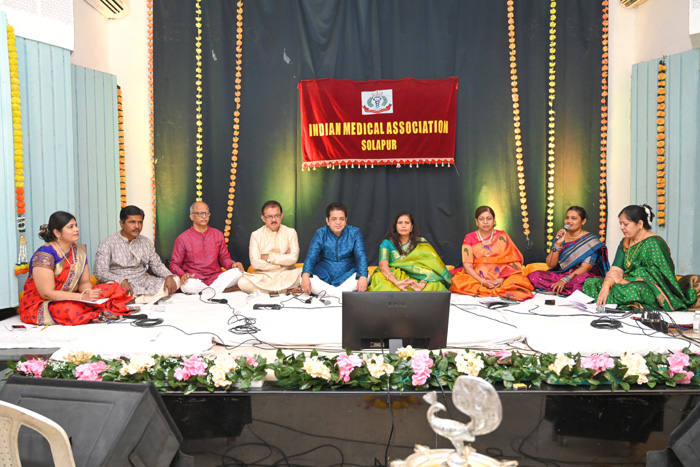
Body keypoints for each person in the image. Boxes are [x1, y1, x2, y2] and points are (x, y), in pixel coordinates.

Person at [19, 211, 131, 325]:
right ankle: (98, 311)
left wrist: (88, 293)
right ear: (57, 232)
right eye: (70, 227)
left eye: (76, 225)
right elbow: (46, 293)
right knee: (71, 309)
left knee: (114, 287)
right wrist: (82, 297)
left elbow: (85, 282)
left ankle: (93, 309)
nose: (76, 229)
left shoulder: (79, 251)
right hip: (44, 303)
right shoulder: (44, 255)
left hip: (75, 296)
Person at [584, 204, 697, 311]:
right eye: (620, 224)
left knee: (631, 290)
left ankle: (603, 301)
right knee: (591, 283)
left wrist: (623, 281)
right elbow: (616, 269)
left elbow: (657, 274)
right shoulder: (625, 242)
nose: (621, 227)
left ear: (640, 224)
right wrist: (606, 286)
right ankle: (609, 300)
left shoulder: (654, 243)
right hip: (624, 284)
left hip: (649, 288)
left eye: (625, 224)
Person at [94, 205, 180, 303]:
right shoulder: (107, 243)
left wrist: (168, 276)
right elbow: (99, 272)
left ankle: (134, 300)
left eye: (140, 222)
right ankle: (146, 298)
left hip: (142, 280)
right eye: (132, 222)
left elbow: (156, 265)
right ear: (122, 224)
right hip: (120, 283)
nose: (137, 226)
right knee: (109, 288)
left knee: (175, 280)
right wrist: (120, 280)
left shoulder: (146, 242)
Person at [450, 206, 533, 301]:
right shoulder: (469, 237)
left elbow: (515, 260)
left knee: (518, 281)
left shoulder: (502, 236)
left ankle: (500, 286)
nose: (485, 222)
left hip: (502, 276)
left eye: (489, 218)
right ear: (476, 221)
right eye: (481, 219)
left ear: (494, 221)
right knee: (460, 282)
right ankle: (486, 288)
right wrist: (482, 282)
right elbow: (467, 266)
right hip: (478, 277)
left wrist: (501, 280)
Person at [528, 206, 609, 296]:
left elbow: (586, 268)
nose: (569, 221)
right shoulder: (560, 237)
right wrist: (557, 243)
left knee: (583, 283)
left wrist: (565, 280)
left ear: (583, 221)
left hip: (580, 275)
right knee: (534, 276)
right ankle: (560, 289)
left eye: (574, 218)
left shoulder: (590, 240)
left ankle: (558, 288)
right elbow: (551, 265)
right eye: (567, 218)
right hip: (561, 273)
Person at [169, 201, 244, 294]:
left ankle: (206, 292)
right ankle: (220, 290)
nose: (204, 216)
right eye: (200, 213)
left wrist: (232, 265)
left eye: (206, 213)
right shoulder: (183, 238)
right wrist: (182, 275)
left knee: (238, 272)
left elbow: (224, 258)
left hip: (215, 277)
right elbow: (174, 264)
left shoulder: (218, 234)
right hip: (194, 278)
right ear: (192, 216)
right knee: (187, 285)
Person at [368, 211, 452, 291]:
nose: (403, 226)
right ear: (395, 226)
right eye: (400, 223)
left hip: (417, 277)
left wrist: (422, 284)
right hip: (394, 276)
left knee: (435, 285)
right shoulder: (387, 243)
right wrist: (396, 282)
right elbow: (383, 265)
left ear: (412, 227)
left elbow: (429, 266)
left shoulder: (421, 242)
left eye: (407, 223)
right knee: (378, 277)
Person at [301, 202, 368, 297]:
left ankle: (330, 294)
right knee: (303, 277)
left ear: (346, 220)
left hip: (347, 276)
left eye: (341, 219)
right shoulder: (320, 233)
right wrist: (305, 275)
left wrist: (363, 277)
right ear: (327, 220)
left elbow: (361, 256)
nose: (338, 222)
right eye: (334, 219)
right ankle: (341, 294)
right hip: (324, 276)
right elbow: (311, 257)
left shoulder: (354, 232)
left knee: (365, 276)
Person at [238, 200, 302, 294]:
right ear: (263, 218)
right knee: (243, 283)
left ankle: (271, 290)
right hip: (264, 275)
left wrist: (269, 258)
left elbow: (293, 258)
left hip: (286, 274)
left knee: (305, 274)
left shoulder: (291, 232)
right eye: (269, 217)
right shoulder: (256, 235)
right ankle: (285, 290)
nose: (274, 220)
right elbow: (255, 263)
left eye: (277, 216)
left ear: (281, 216)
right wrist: (282, 263)